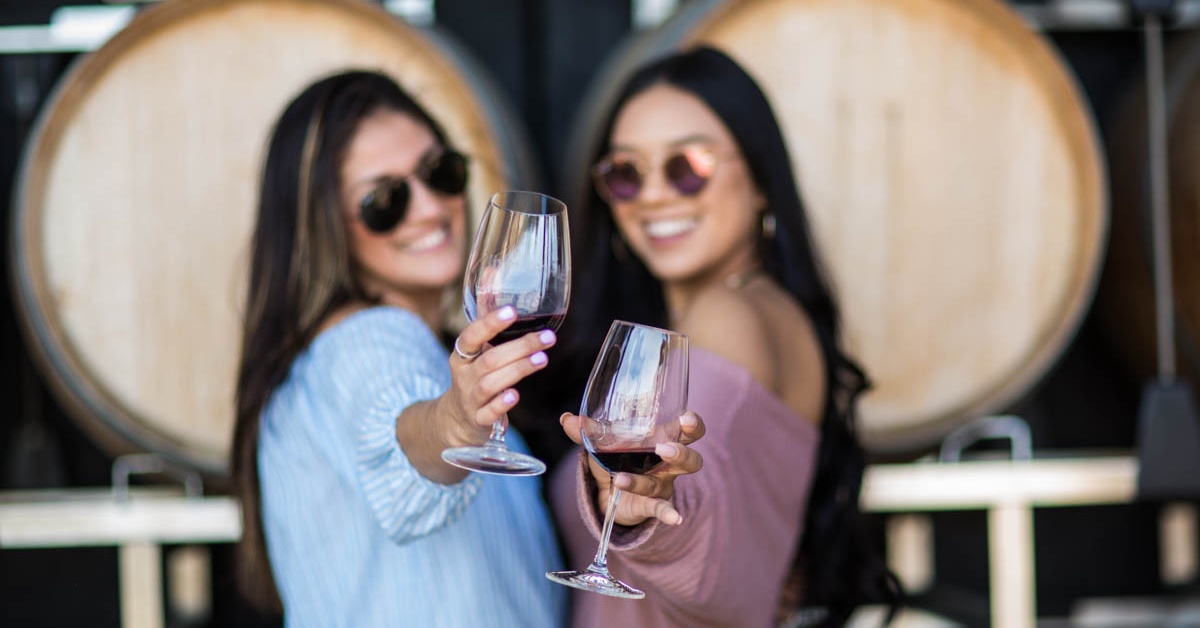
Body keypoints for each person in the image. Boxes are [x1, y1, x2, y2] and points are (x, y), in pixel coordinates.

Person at [229, 69, 701, 627]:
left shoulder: (412, 351)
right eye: (385, 200)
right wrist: (454, 424)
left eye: (440, 172)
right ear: (321, 226)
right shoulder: (366, 339)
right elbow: (403, 441)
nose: (430, 207)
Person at [539, 46, 903, 627]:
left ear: (761, 182)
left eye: (688, 166)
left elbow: (706, 524)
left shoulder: (729, 313)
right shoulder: (753, 317)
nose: (655, 194)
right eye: (626, 173)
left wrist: (647, 513)